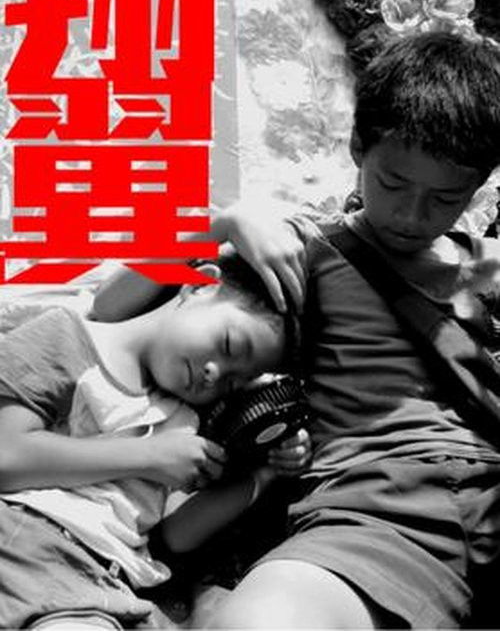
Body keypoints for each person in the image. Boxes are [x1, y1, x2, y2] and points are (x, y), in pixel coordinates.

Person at [200, 31, 500, 629]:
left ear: (480, 184)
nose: (412, 215)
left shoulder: (489, 265)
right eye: (393, 184)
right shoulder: (307, 252)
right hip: (373, 508)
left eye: (446, 198)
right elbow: (114, 310)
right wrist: (224, 222)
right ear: (359, 147)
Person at [0, 253, 311, 630]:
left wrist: (265, 473)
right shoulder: (68, 336)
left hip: (109, 584)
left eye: (233, 382)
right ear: (198, 285)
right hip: (27, 543)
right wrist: (147, 456)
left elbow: (175, 538)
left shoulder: (187, 423)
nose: (215, 373)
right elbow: (7, 456)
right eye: (228, 345)